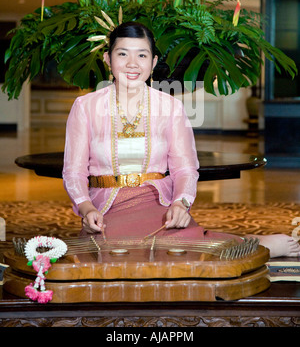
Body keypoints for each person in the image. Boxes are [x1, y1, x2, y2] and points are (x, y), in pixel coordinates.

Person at [63, 20, 300, 258]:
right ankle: (237, 244)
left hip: (157, 203)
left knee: (181, 249)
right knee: (112, 252)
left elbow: (185, 168)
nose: (132, 64)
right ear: (108, 59)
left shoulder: (170, 106)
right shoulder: (86, 107)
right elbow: (73, 171)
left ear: (153, 62)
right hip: (106, 207)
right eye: (122, 54)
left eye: (142, 55)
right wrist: (87, 208)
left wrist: (180, 204)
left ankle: (252, 245)